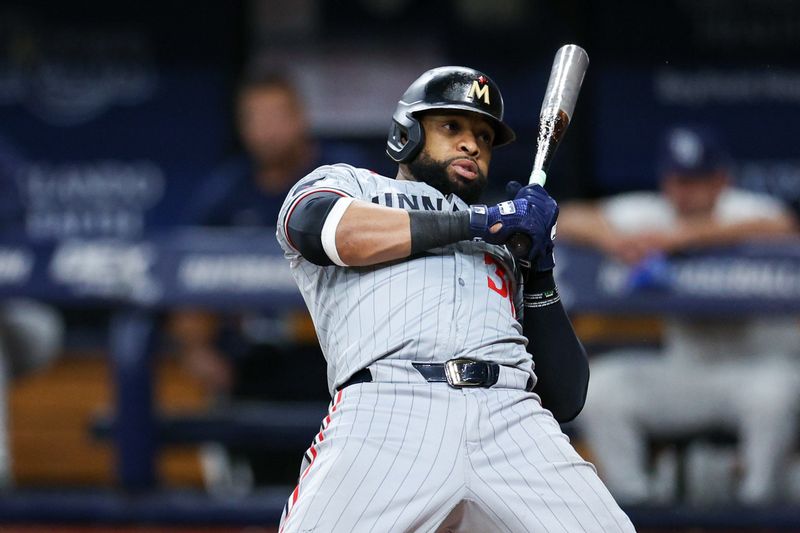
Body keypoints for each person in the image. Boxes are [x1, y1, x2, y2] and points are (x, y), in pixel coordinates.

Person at [274, 66, 634, 532]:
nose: (471, 144)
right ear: (405, 133)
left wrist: (539, 271)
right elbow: (316, 227)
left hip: (511, 416)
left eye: (483, 137)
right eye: (452, 127)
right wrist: (480, 223)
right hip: (389, 409)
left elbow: (565, 398)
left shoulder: (505, 243)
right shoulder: (355, 186)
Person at [557, 125, 800, 505]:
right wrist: (616, 241)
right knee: (602, 389)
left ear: (720, 180)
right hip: (688, 371)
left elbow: (782, 226)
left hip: (758, 368)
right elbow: (568, 217)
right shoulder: (654, 212)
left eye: (698, 181)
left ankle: (758, 509)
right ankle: (634, 507)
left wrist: (680, 238)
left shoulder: (745, 209)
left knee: (773, 394)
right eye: (678, 180)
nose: (685, 193)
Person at [170, 72, 347, 490]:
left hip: (334, 361)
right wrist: (197, 350)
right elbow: (181, 281)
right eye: (255, 118)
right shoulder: (226, 195)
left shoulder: (344, 178)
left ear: (301, 118)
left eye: (276, 116)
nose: (266, 130)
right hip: (252, 364)